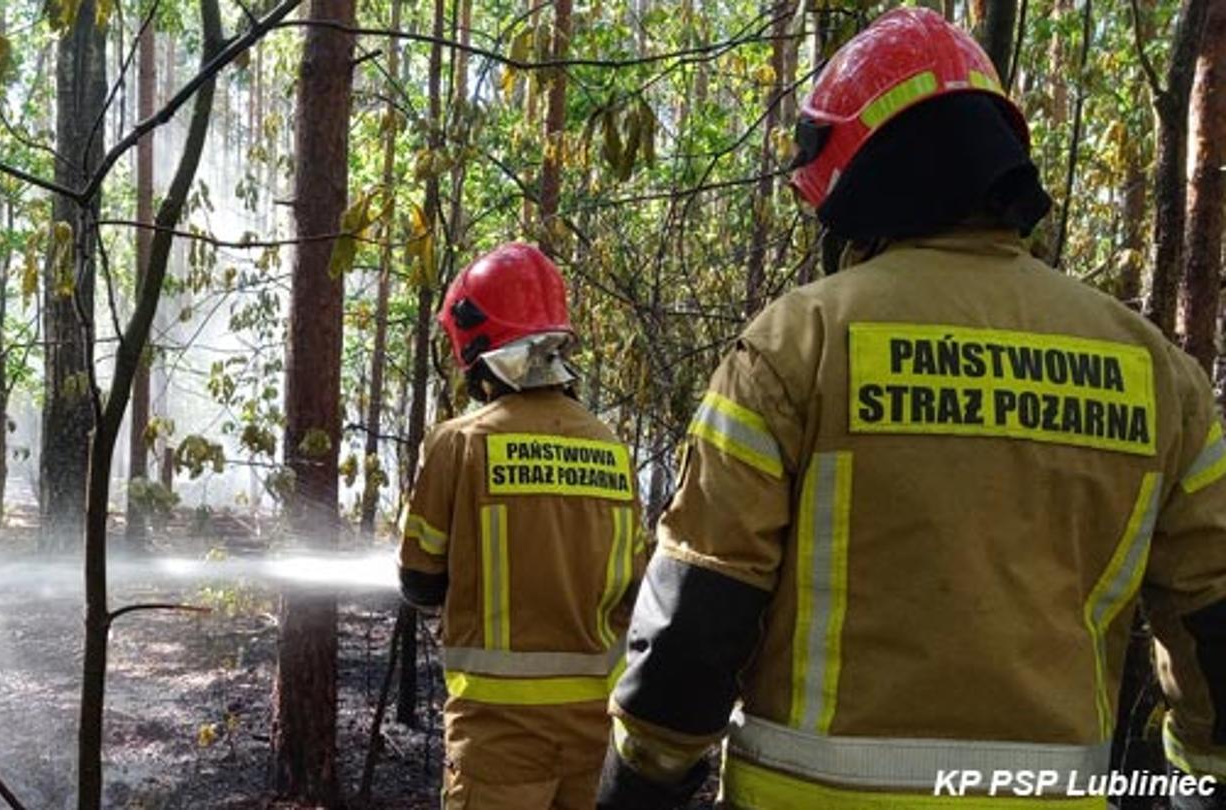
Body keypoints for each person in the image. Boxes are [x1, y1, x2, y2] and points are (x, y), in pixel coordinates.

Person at [596, 8, 1226, 810]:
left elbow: (699, 610)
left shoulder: (799, 343)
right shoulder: (1156, 372)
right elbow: (1214, 614)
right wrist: (1201, 779)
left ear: (856, 179)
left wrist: (640, 773)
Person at [397, 243, 649, 809]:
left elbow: (419, 583)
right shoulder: (611, 448)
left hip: (497, 740)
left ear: (475, 346)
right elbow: (634, 592)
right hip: (593, 736)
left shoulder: (459, 444)